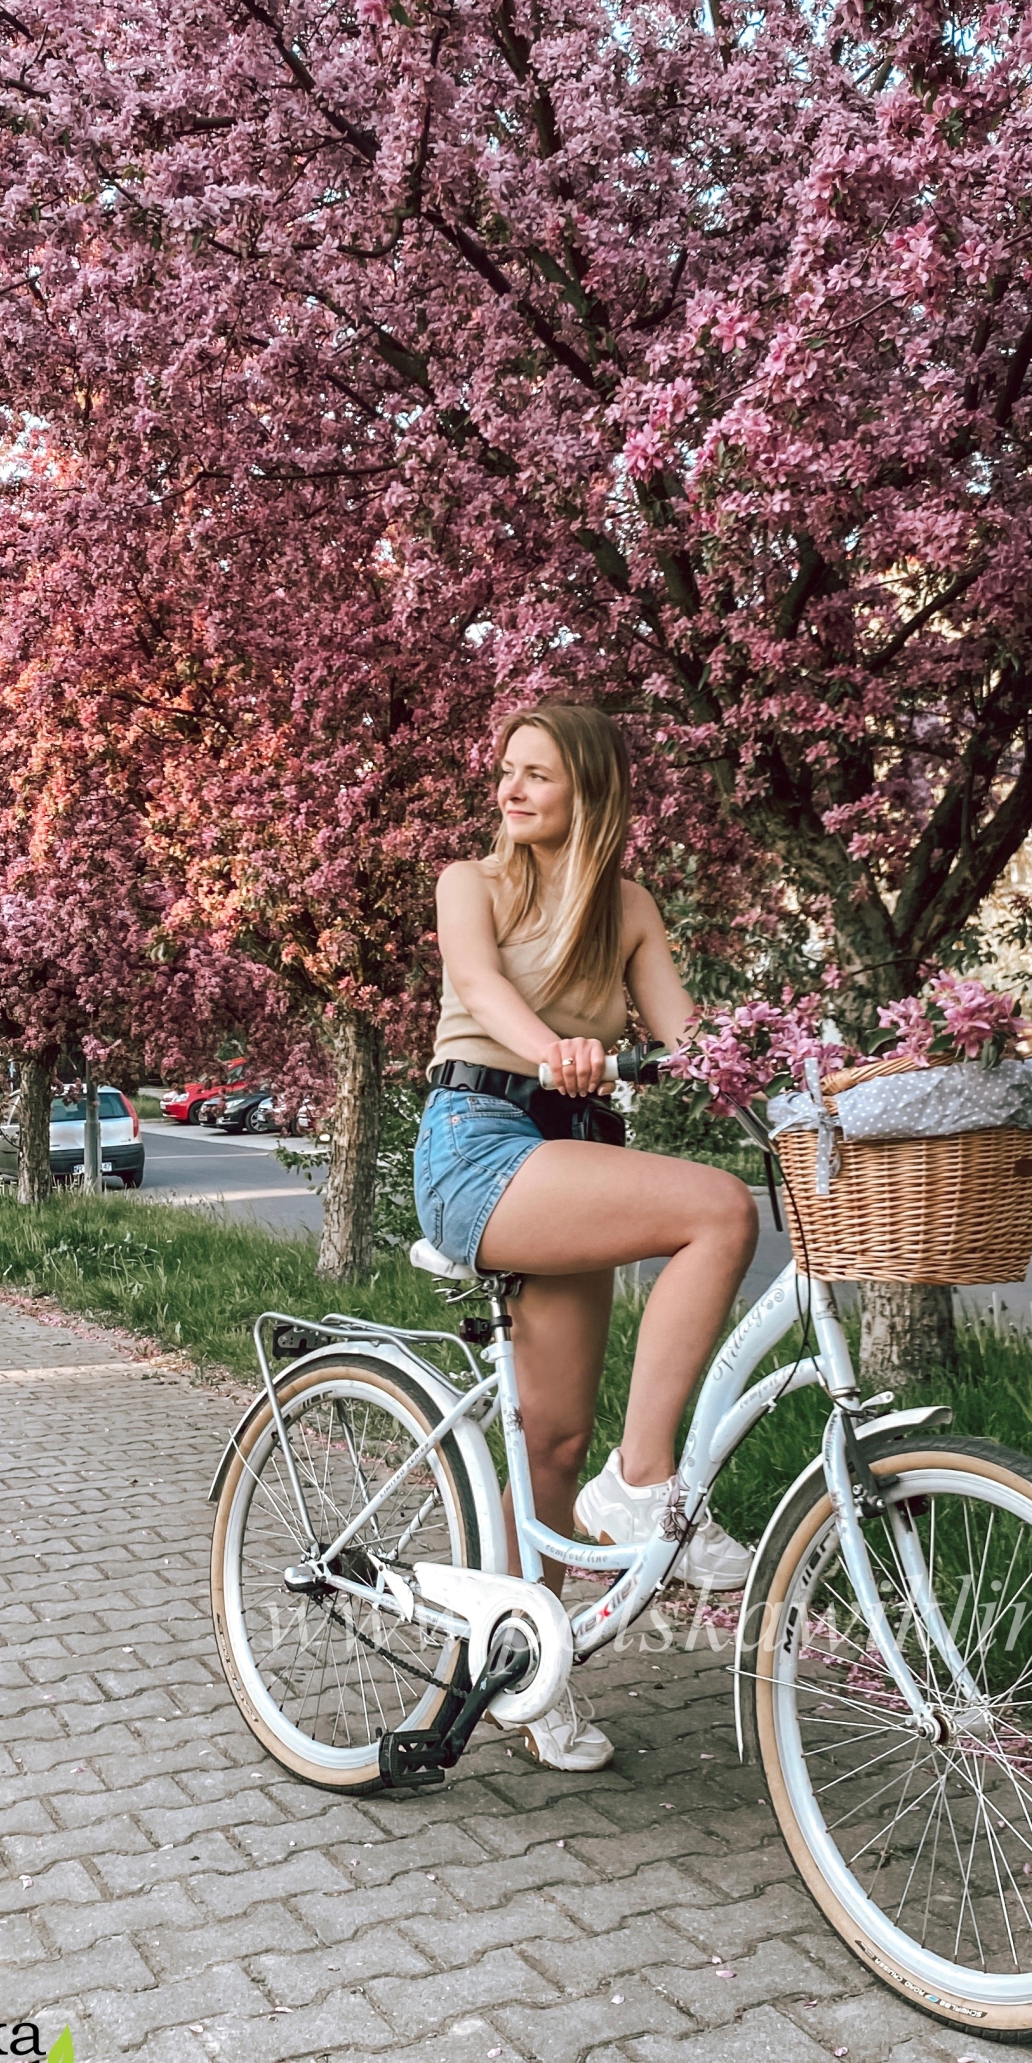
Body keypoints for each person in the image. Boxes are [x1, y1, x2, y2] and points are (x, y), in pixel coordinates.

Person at [415, 700, 761, 1770]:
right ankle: (646, 1483)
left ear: (591, 793)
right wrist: (552, 1047)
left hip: (574, 1156)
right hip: (481, 1140)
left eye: (539, 776)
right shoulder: (467, 884)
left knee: (552, 1440)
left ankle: (526, 1667)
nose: (511, 791)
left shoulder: (628, 906)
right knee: (717, 1210)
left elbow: (689, 1040)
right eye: (507, 771)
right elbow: (479, 989)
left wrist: (784, 1070)